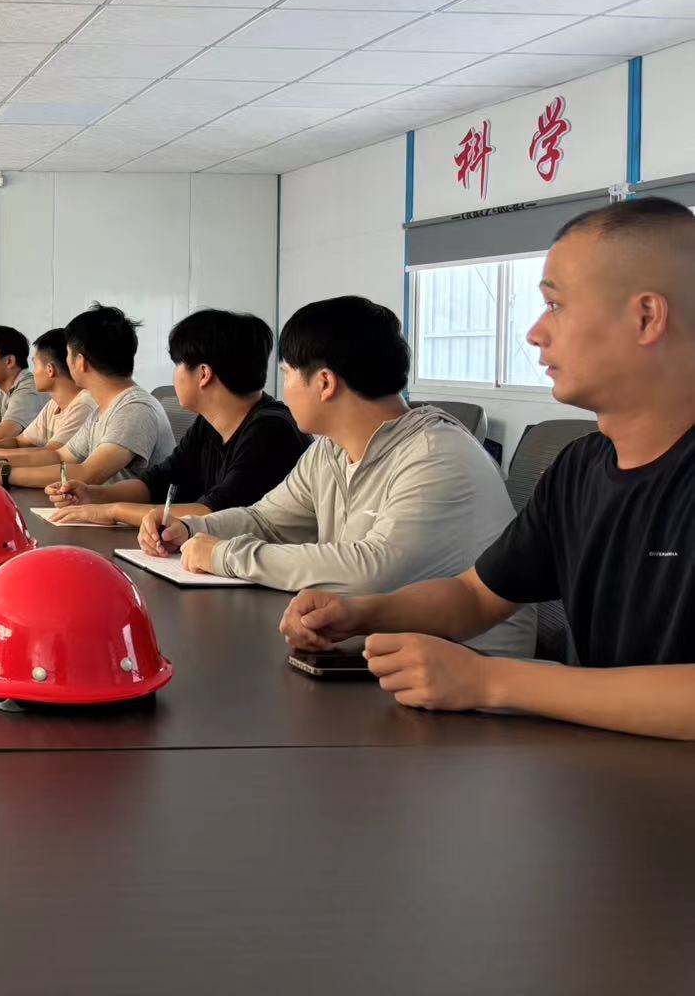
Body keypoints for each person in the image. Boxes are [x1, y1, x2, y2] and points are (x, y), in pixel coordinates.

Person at [282, 200, 695, 738]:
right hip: (603, 768)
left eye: (556, 305)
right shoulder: (580, 468)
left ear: (646, 317)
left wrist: (489, 680)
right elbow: (476, 597)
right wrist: (360, 613)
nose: (535, 333)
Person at [156, 295, 532, 657]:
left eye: (287, 375)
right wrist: (192, 530)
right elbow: (266, 520)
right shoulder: (330, 450)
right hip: (380, 648)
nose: (282, 390)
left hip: (472, 667)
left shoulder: (436, 455)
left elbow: (370, 573)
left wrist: (225, 554)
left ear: (324, 383)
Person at [49, 309, 308, 528]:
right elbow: (159, 482)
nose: (175, 375)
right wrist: (94, 494)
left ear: (203, 374)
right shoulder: (209, 424)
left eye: (178, 364)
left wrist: (113, 511)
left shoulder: (271, 431)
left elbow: (214, 514)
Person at [0, 304, 174, 490]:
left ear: (80, 362)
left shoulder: (133, 409)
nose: (66, 362)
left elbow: (88, 473)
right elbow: (59, 456)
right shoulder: (103, 409)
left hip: (133, 523)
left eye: (68, 354)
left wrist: (4, 474)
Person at [0, 327, 93, 459]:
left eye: (35, 365)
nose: (33, 373)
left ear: (50, 370)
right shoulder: (54, 405)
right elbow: (19, 442)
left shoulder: (83, 406)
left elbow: (51, 455)